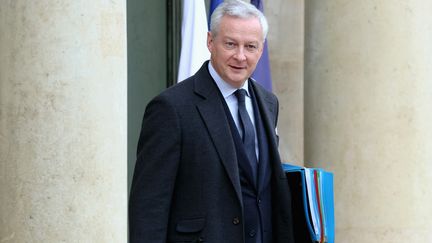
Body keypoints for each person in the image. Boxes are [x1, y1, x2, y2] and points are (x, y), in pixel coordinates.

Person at [129, 1, 295, 242]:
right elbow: (149, 206)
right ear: (210, 42)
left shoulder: (269, 102)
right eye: (230, 44)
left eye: (250, 46)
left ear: (261, 50)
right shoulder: (171, 108)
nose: (240, 56)